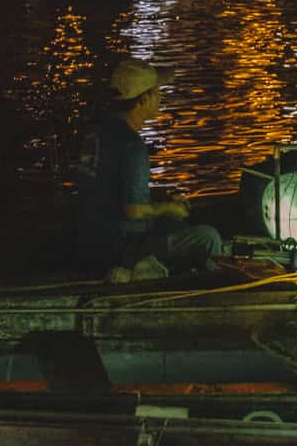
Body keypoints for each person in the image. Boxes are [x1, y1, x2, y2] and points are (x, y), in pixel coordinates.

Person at [75, 60, 223, 281]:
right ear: (143, 100)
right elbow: (133, 211)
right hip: (120, 245)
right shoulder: (131, 146)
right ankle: (212, 290)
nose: (160, 98)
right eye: (157, 92)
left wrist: (161, 200)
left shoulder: (99, 131)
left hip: (90, 234)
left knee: (175, 221)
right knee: (208, 237)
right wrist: (167, 207)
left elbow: (108, 189)